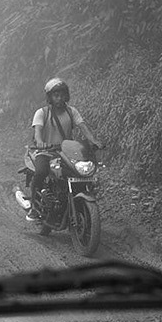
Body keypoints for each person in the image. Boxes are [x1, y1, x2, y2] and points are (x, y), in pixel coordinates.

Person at [25, 77, 100, 220]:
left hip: (66, 152)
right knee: (41, 172)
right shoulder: (42, 113)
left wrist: (94, 141)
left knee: (79, 174)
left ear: (66, 95)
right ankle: (34, 207)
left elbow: (83, 127)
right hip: (46, 152)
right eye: (56, 95)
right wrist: (41, 142)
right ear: (50, 97)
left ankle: (74, 203)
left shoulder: (72, 112)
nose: (59, 98)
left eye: (62, 95)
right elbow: (38, 132)